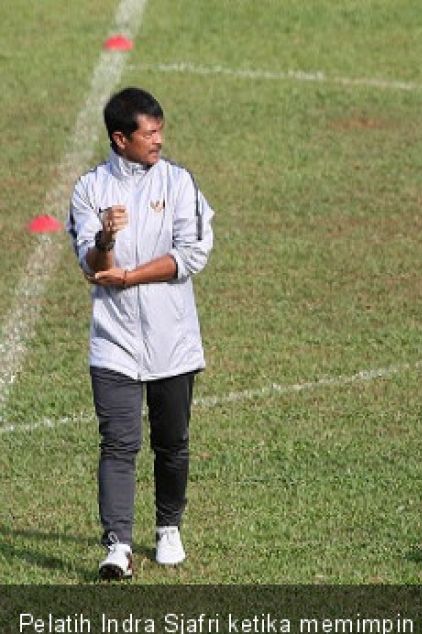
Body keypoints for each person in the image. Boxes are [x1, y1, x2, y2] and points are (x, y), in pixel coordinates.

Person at [66, 87, 215, 579]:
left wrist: (129, 277)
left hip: (172, 340)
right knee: (118, 442)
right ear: (120, 138)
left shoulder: (179, 183)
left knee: (171, 442)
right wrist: (107, 239)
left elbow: (190, 256)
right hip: (114, 342)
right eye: (149, 133)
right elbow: (93, 266)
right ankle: (118, 545)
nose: (158, 140)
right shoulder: (90, 190)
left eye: (160, 130)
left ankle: (168, 527)